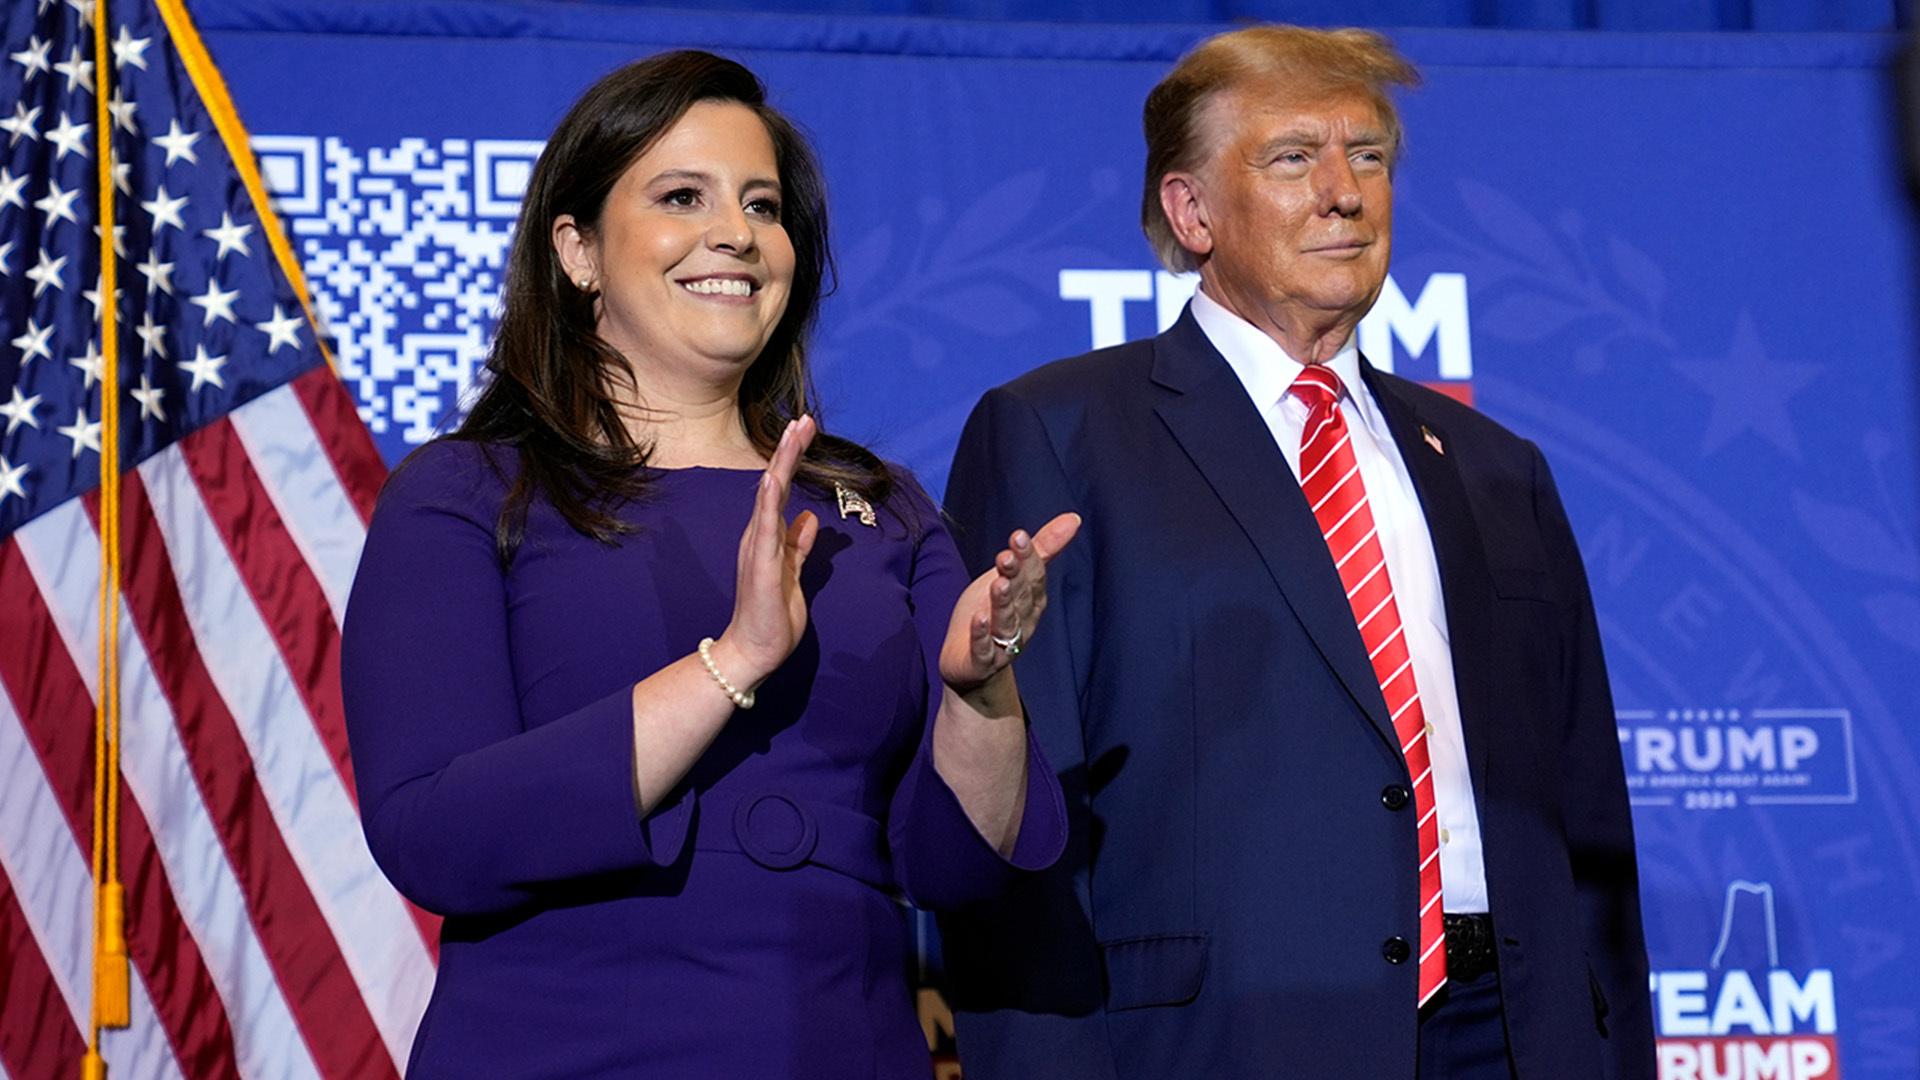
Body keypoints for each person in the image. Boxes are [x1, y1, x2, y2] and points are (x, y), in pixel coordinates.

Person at [341, 50, 1077, 1077]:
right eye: (682, 197)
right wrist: (731, 664)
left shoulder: (881, 508)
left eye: (762, 205)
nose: (736, 232)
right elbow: (436, 836)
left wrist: (979, 690)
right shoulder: (468, 492)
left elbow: (957, 867)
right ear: (577, 250)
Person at [940, 25, 1654, 1080]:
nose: (1344, 193)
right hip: (1228, 1039)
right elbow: (1021, 825)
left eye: (1367, 156)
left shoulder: (1498, 466)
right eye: (1292, 158)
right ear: (1192, 212)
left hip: (1511, 1034)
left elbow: (1585, 812)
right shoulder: (1060, 433)